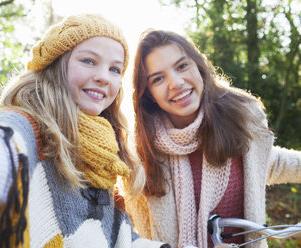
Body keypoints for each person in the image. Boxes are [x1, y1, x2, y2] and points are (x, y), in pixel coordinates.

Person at [0, 15, 171, 248]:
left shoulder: (104, 154)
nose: (102, 77)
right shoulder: (26, 126)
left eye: (115, 69)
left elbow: (117, 237)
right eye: (88, 61)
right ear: (57, 64)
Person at [127, 29, 301, 248]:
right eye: (158, 78)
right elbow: (120, 229)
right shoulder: (140, 152)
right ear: (148, 92)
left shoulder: (237, 120)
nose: (176, 82)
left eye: (182, 66)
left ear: (199, 67)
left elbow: (268, 163)